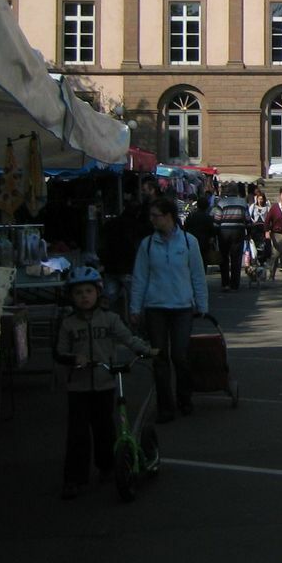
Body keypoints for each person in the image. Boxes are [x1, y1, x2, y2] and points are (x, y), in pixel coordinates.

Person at [54, 267, 154, 499]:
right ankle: (74, 478)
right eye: (78, 293)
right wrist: (73, 358)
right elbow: (59, 352)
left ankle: (108, 466)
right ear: (71, 296)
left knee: (105, 428)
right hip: (78, 386)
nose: (84, 297)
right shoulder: (68, 324)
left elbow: (127, 338)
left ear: (98, 293)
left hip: (104, 382)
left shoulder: (109, 319)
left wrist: (147, 350)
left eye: (89, 291)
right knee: (78, 433)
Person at [130, 195, 208, 422]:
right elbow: (140, 278)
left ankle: (185, 398)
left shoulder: (187, 241)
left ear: (170, 216)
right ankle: (166, 406)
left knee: (180, 356)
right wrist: (135, 308)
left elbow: (197, 275)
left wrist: (202, 305)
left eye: (157, 216)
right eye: (151, 216)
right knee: (160, 359)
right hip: (155, 307)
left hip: (183, 307)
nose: (153, 220)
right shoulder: (147, 245)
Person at [211, 182, 251, 292]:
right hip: (238, 232)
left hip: (224, 232)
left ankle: (225, 283)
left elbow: (217, 220)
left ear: (227, 191)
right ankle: (235, 284)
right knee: (236, 258)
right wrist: (249, 232)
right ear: (237, 191)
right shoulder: (243, 202)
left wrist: (214, 234)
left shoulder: (222, 202)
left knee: (224, 258)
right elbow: (247, 219)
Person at [182, 195, 216, 277]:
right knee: (203, 260)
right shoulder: (208, 217)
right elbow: (212, 230)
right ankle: (202, 275)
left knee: (192, 260)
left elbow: (185, 227)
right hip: (204, 242)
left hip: (192, 241)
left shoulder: (191, 216)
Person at [247, 189, 271, 279]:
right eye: (259, 199)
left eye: (262, 199)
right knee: (255, 246)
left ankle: (262, 260)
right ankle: (256, 261)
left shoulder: (267, 207)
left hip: (264, 228)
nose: (260, 200)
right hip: (255, 228)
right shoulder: (253, 206)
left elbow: (269, 217)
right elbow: (249, 216)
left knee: (264, 245)